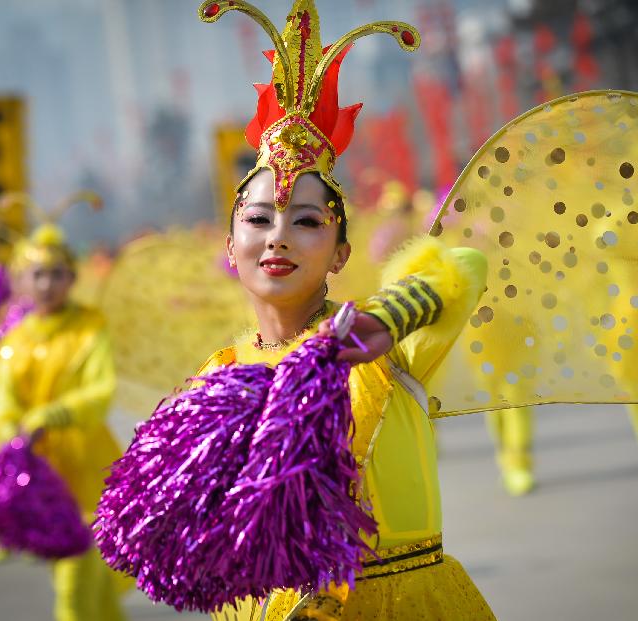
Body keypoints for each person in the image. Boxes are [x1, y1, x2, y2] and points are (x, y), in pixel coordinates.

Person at [189, 2, 496, 618]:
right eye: (257, 219)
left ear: (339, 253)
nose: (277, 237)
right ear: (232, 247)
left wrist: (389, 318)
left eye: (306, 222)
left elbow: (465, 268)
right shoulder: (216, 378)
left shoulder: (379, 344)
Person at [0, 220, 126, 621]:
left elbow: (101, 389)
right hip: (42, 473)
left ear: (72, 277)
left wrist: (56, 413)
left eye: (57, 274)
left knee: (73, 581)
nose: (48, 284)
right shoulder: (14, 342)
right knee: (86, 576)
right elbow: (2, 406)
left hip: (87, 462)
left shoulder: (90, 327)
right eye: (38, 275)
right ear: (22, 281)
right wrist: (10, 433)